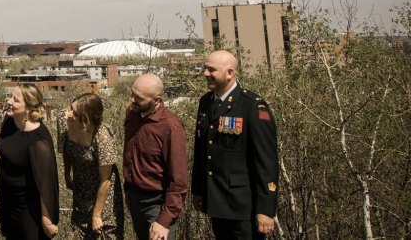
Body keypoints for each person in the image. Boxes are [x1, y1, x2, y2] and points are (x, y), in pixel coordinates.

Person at [191, 50, 279, 240]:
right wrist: (198, 190)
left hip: (243, 208)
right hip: (216, 202)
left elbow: (267, 162)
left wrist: (265, 209)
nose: (205, 73)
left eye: (211, 69)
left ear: (230, 73)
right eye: (205, 68)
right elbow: (201, 151)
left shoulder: (253, 107)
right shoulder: (206, 102)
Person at [123, 74, 187, 240]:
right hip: (134, 199)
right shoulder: (132, 114)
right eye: (132, 93)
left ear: (157, 99)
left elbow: (178, 181)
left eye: (139, 98)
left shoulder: (170, 127)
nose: (132, 99)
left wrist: (164, 220)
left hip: (157, 205)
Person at [0, 83, 59, 240]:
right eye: (11, 97)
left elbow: (45, 184)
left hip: (28, 208)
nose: (9, 101)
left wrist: (46, 219)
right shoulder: (9, 122)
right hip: (7, 200)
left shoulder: (39, 140)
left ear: (29, 108)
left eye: (15, 100)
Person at [62, 92, 123, 240]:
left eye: (74, 113)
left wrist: (97, 215)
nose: (68, 114)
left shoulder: (102, 136)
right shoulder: (67, 125)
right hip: (81, 195)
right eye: (70, 108)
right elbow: (67, 150)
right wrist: (67, 176)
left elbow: (106, 179)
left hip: (103, 199)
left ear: (86, 120)